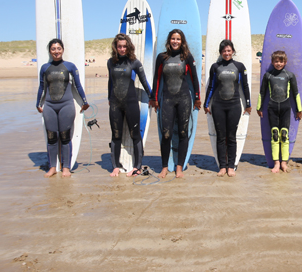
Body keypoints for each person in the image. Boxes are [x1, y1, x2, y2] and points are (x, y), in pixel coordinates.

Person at [150, 29, 201, 179]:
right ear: (169, 40)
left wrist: (197, 97)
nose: (175, 41)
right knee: (166, 134)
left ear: (182, 41)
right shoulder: (162, 57)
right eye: (173, 38)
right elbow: (157, 79)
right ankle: (165, 167)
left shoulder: (187, 57)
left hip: (184, 99)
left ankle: (179, 167)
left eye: (178, 39)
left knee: (183, 133)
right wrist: (154, 98)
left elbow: (194, 78)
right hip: (167, 100)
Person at [36, 38, 89, 178]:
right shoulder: (45, 68)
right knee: (52, 137)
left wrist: (84, 101)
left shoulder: (70, 66)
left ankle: (66, 167)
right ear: (49, 51)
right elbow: (42, 87)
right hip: (49, 106)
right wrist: (38, 103)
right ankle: (52, 167)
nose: (56, 51)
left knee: (65, 138)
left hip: (66, 105)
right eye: (53, 49)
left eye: (58, 48)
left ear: (63, 50)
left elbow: (77, 86)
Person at [107, 33, 152, 177]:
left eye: (124, 46)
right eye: (119, 46)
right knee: (116, 135)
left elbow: (144, 81)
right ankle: (115, 166)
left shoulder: (135, 63)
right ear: (116, 47)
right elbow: (111, 82)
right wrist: (109, 97)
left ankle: (137, 166)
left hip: (131, 103)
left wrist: (152, 97)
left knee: (135, 134)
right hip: (115, 103)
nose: (122, 49)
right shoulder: (110, 62)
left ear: (129, 47)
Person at [204, 39, 251, 177]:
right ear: (220, 52)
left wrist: (248, 104)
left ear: (233, 52)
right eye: (224, 51)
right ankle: (222, 167)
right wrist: (207, 104)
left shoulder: (240, 66)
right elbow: (211, 86)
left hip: (234, 105)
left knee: (231, 137)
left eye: (229, 50)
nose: (226, 53)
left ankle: (231, 166)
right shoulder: (215, 67)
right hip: (218, 105)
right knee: (220, 137)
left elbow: (245, 86)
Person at [256, 50, 302, 173]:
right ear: (272, 62)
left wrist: (299, 110)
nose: (278, 64)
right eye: (276, 61)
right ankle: (276, 163)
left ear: (285, 62)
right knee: (275, 134)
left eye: (281, 61)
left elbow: (295, 93)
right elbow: (262, 93)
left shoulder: (289, 75)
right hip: (272, 108)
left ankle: (284, 163)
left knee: (284, 134)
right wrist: (259, 107)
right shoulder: (268, 75)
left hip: (285, 108)